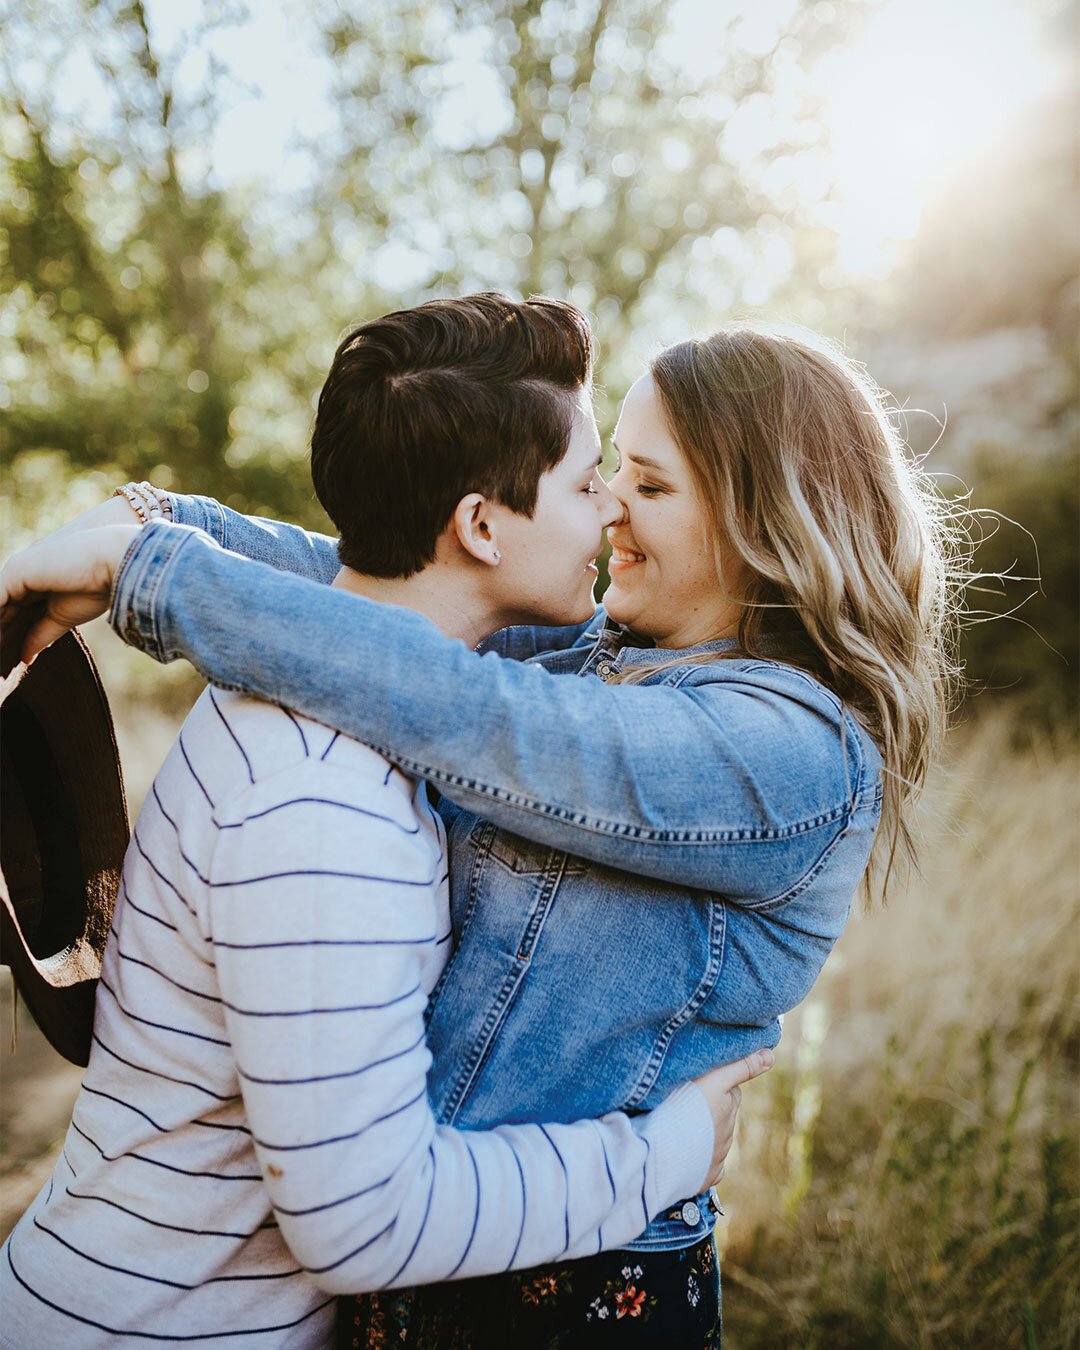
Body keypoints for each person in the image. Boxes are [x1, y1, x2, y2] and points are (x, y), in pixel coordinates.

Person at [0, 309, 958, 1347]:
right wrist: (153, 528)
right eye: (604, 475)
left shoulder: (785, 756)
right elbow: (406, 595)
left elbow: (460, 700)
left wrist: (154, 571)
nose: (609, 511)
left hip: (583, 1283)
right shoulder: (621, 650)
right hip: (441, 1248)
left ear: (767, 521)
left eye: (648, 483)